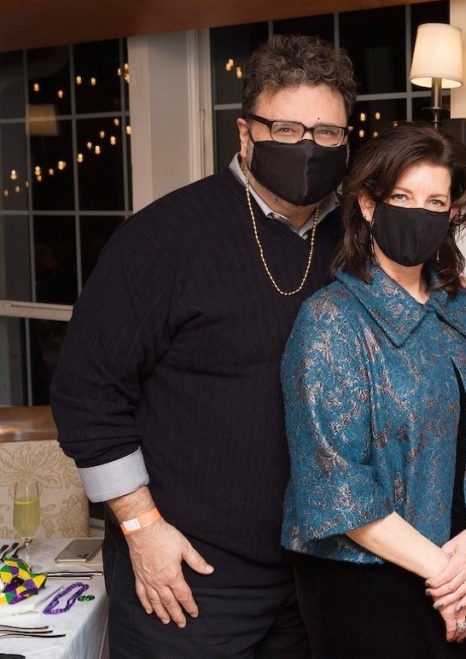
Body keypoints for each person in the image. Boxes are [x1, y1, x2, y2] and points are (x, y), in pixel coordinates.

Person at [49, 34, 355, 657]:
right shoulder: (162, 239)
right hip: (188, 572)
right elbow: (87, 394)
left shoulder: (357, 244)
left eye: (326, 134)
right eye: (286, 127)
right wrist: (141, 528)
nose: (307, 146)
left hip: (317, 573)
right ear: (245, 133)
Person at [280, 122, 466, 659]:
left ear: (453, 214)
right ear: (367, 203)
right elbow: (333, 481)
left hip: (457, 557)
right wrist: (445, 574)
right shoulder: (331, 319)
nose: (419, 212)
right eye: (402, 197)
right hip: (363, 578)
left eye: (435, 201)